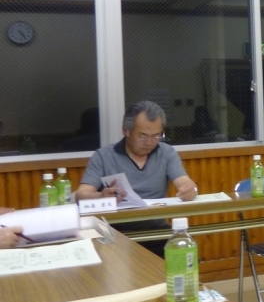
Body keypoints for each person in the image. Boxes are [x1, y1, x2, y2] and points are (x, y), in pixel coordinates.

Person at [76, 101, 198, 255]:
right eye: (142, 136)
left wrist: (190, 189)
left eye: (156, 136)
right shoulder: (104, 156)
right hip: (116, 233)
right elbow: (81, 195)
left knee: (186, 254)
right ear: (125, 130)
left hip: (156, 231)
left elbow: (184, 182)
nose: (149, 142)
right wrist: (101, 196)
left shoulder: (166, 153)